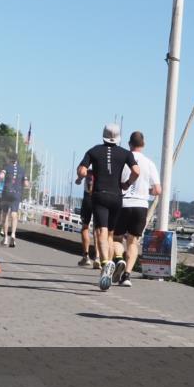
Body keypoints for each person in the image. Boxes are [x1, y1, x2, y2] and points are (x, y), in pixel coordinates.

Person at [77, 124, 139, 290]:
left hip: (100, 195)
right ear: (118, 137)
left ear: (103, 135)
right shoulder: (126, 153)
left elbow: (83, 171)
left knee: (100, 232)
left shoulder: (93, 151)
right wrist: (127, 183)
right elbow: (136, 171)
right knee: (111, 234)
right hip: (117, 197)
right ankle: (117, 259)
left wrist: (82, 174)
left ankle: (106, 263)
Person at [109, 131, 161, 288]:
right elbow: (157, 190)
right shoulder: (149, 163)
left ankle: (119, 259)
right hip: (141, 205)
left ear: (129, 144)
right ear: (143, 145)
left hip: (123, 203)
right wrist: (148, 191)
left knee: (116, 238)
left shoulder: (122, 159)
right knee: (133, 241)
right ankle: (127, 276)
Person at [0, 153, 27, 247]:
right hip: (17, 193)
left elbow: (1, 176)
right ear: (17, 160)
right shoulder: (22, 170)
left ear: (10, 159)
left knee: (5, 215)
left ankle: (5, 238)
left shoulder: (6, 167)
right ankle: (13, 234)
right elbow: (26, 183)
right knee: (14, 214)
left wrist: (1, 180)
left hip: (6, 192)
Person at [76, 168, 97, 267]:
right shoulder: (105, 160)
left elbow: (82, 172)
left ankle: (86, 256)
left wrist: (79, 179)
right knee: (99, 229)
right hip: (100, 197)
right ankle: (98, 258)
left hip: (88, 197)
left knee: (85, 226)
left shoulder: (89, 159)